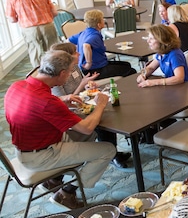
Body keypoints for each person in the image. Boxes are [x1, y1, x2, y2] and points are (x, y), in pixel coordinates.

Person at [4, 50, 116, 209]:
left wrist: (63, 99)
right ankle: (66, 193)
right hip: (42, 156)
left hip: (26, 148)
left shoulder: (18, 85)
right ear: (62, 73)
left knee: (88, 137)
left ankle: (53, 180)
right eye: (70, 71)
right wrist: (101, 104)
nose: (71, 74)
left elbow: (34, 107)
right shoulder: (47, 102)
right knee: (107, 149)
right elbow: (87, 128)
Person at [49, 42, 132, 169]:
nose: (79, 54)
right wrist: (82, 85)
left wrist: (88, 85)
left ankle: (112, 150)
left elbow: (82, 86)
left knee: (106, 111)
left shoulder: (75, 67)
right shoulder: (57, 76)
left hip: (84, 101)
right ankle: (111, 153)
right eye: (75, 52)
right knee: (101, 116)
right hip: (71, 110)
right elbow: (66, 101)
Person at [4, 0, 58, 68]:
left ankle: (39, 76)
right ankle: (55, 72)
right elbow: (55, 12)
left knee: (35, 53)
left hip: (29, 29)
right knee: (52, 50)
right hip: (47, 26)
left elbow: (12, 19)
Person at [68, 10, 136, 80]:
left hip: (89, 68)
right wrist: (89, 63)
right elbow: (86, 45)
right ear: (99, 24)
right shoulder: (95, 35)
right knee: (131, 71)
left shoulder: (84, 32)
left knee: (126, 65)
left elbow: (69, 40)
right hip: (95, 70)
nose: (104, 21)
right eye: (102, 19)